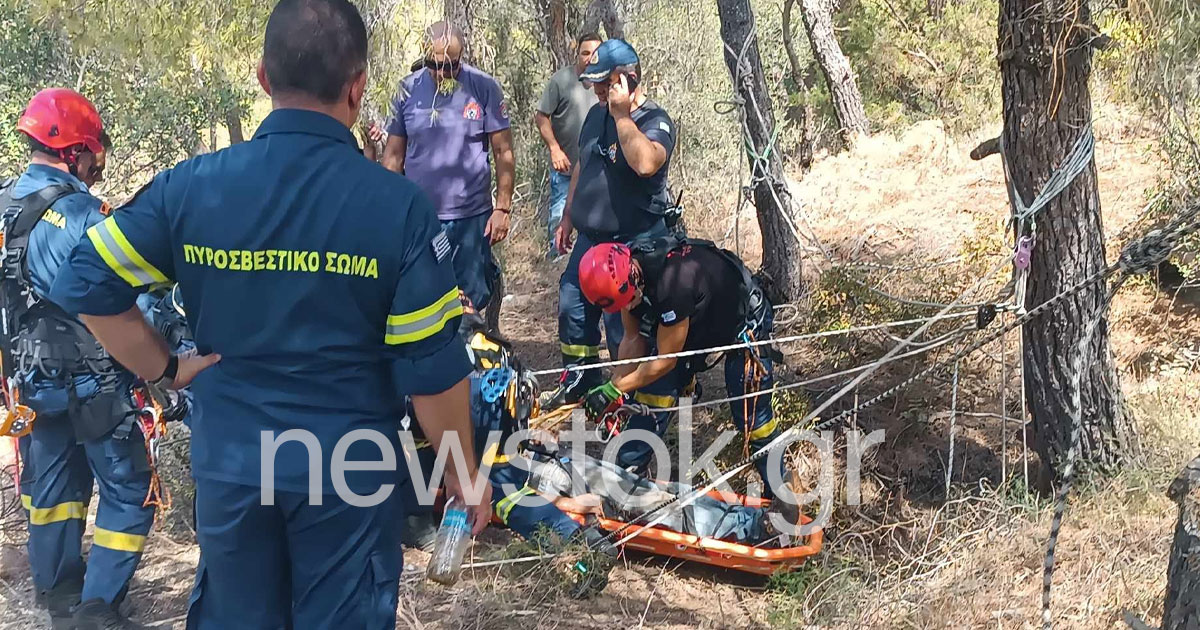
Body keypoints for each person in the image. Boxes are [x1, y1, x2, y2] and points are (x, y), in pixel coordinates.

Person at [49, 1, 492, 627]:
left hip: (234, 464)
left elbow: (87, 280)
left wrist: (166, 367)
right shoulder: (397, 209)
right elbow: (432, 372)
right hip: (347, 473)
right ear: (357, 85)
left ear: (263, 77)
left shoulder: (192, 188)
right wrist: (463, 474)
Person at [1, 88, 157, 630]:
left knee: (51, 494)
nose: (96, 165)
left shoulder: (3, 204)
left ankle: (58, 596)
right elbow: (131, 305)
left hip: (31, 386)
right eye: (94, 153)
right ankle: (97, 609)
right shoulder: (84, 216)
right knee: (129, 491)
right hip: (94, 387)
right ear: (76, 152)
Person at [402, 300, 617, 598]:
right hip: (502, 405)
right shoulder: (478, 335)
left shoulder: (424, 337)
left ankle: (581, 549)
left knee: (492, 489)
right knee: (505, 489)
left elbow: (417, 408)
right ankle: (578, 545)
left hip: (472, 405)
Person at [575, 236, 790, 498]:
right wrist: (614, 390)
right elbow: (633, 340)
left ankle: (782, 492)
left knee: (754, 419)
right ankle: (625, 479)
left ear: (633, 275)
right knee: (650, 397)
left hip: (741, 324)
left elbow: (666, 360)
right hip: (689, 325)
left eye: (627, 299)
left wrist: (614, 387)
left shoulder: (673, 283)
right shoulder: (624, 275)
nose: (628, 306)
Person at [546, 39, 678, 410]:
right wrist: (568, 216)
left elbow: (646, 163)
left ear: (629, 79)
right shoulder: (595, 116)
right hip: (589, 241)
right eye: (596, 84)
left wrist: (622, 116)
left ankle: (628, 396)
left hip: (631, 246)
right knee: (572, 309)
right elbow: (581, 167)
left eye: (606, 83)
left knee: (626, 328)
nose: (599, 91)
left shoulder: (655, 120)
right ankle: (582, 383)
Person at [382, 21, 515, 312]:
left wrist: (502, 209)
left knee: (471, 305)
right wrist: (388, 213)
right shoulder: (406, 92)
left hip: (472, 220)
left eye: (451, 66)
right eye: (435, 64)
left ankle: (472, 354)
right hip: (421, 221)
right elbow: (393, 157)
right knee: (424, 302)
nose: (443, 73)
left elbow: (503, 151)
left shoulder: (484, 88)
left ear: (462, 57)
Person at [535, 33, 602, 260]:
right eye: (585, 53)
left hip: (597, 170)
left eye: (595, 54)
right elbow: (541, 116)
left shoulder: (607, 82)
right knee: (559, 218)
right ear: (577, 55)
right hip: (566, 167)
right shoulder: (560, 81)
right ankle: (557, 261)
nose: (589, 58)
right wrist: (554, 148)